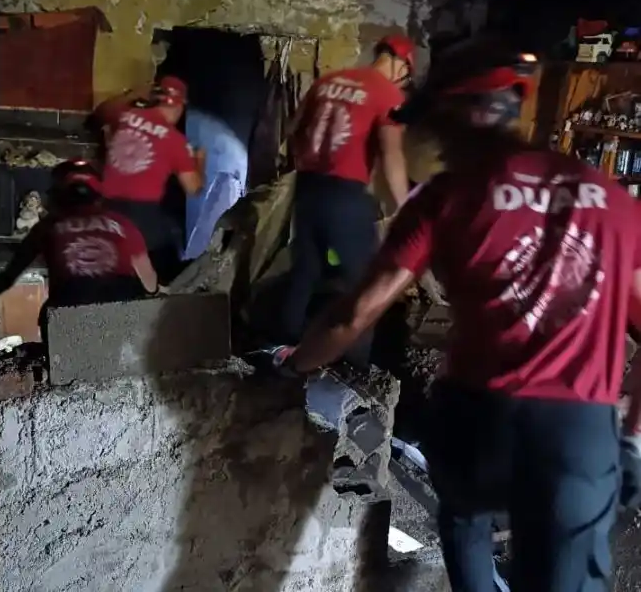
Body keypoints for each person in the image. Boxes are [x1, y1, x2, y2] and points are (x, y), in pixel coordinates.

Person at [269, 37, 641, 591]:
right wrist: (631, 441)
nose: (434, 144)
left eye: (436, 128)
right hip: (575, 432)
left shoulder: (445, 196)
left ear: (460, 115)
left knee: (466, 517)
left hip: (479, 422)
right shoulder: (607, 196)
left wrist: (295, 365)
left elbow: (355, 315)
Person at [275, 33, 416, 371]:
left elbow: (293, 132)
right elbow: (391, 155)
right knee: (364, 284)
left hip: (308, 187)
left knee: (305, 271)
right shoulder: (388, 93)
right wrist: (406, 207)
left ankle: (281, 350)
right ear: (401, 65)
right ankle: (356, 364)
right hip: (346, 195)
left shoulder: (329, 81)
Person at [0, 161, 159, 345]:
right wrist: (154, 292)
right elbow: (149, 281)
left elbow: (9, 276)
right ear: (99, 197)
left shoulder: (48, 226)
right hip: (119, 316)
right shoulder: (124, 225)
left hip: (67, 318)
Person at [93, 75, 204, 285]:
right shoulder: (175, 141)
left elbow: (100, 113)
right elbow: (194, 188)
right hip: (140, 214)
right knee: (172, 243)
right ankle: (159, 293)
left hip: (105, 208)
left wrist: (134, 92)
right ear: (179, 106)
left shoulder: (126, 115)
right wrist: (200, 162)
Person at [182, 108, 249, 261]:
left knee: (204, 222)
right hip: (231, 161)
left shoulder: (195, 132)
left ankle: (195, 257)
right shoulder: (196, 123)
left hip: (224, 166)